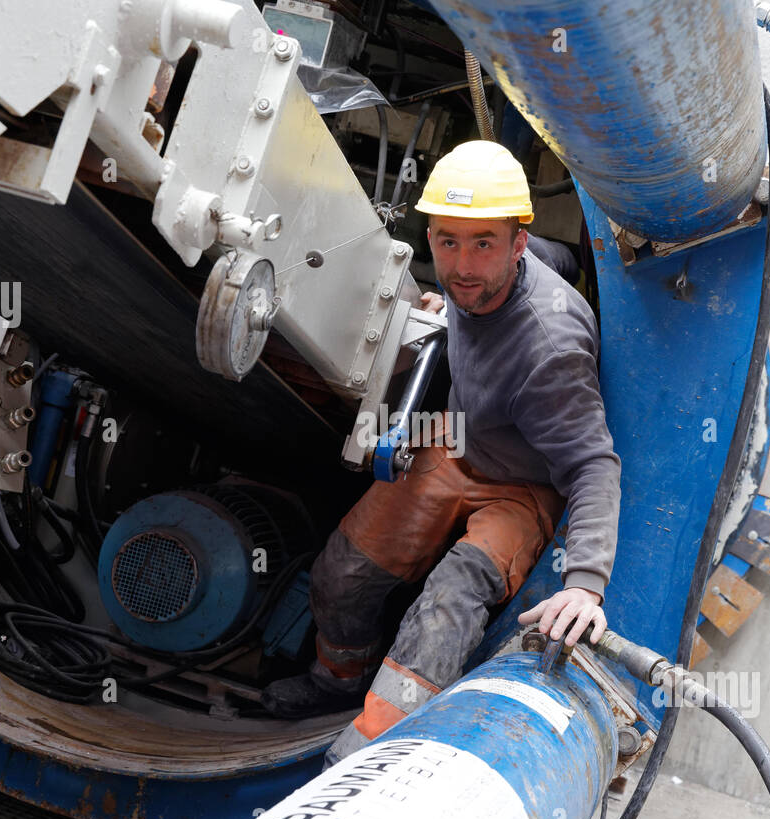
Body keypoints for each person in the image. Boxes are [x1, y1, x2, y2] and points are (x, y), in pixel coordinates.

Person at [262, 140, 621, 765]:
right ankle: (334, 685)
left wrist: (586, 585)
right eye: (445, 241)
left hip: (522, 485)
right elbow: (559, 256)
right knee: (344, 572)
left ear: (516, 243)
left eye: (483, 243)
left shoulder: (550, 350)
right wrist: (443, 305)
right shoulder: (494, 265)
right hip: (455, 441)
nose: (460, 266)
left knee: (449, 603)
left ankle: (373, 752)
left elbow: (592, 463)